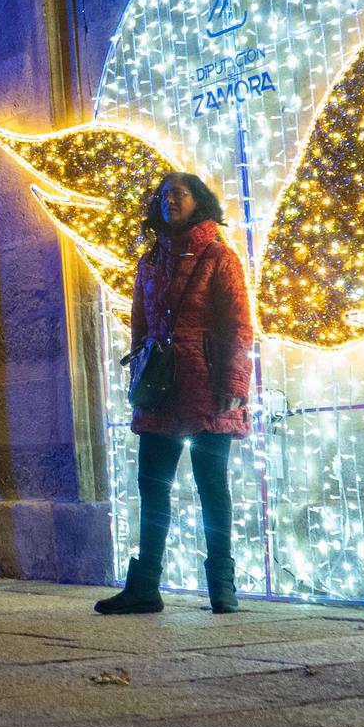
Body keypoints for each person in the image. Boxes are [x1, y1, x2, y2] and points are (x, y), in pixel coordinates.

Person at [95, 171, 252, 616]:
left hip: (207, 385)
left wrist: (235, 383)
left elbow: (239, 325)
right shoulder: (149, 263)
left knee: (212, 487)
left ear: (198, 201)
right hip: (161, 387)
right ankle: (145, 587)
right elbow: (140, 326)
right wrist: (138, 377)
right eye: (164, 195)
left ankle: (223, 587)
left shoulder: (220, 257)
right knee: (153, 485)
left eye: (180, 194)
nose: (171, 200)